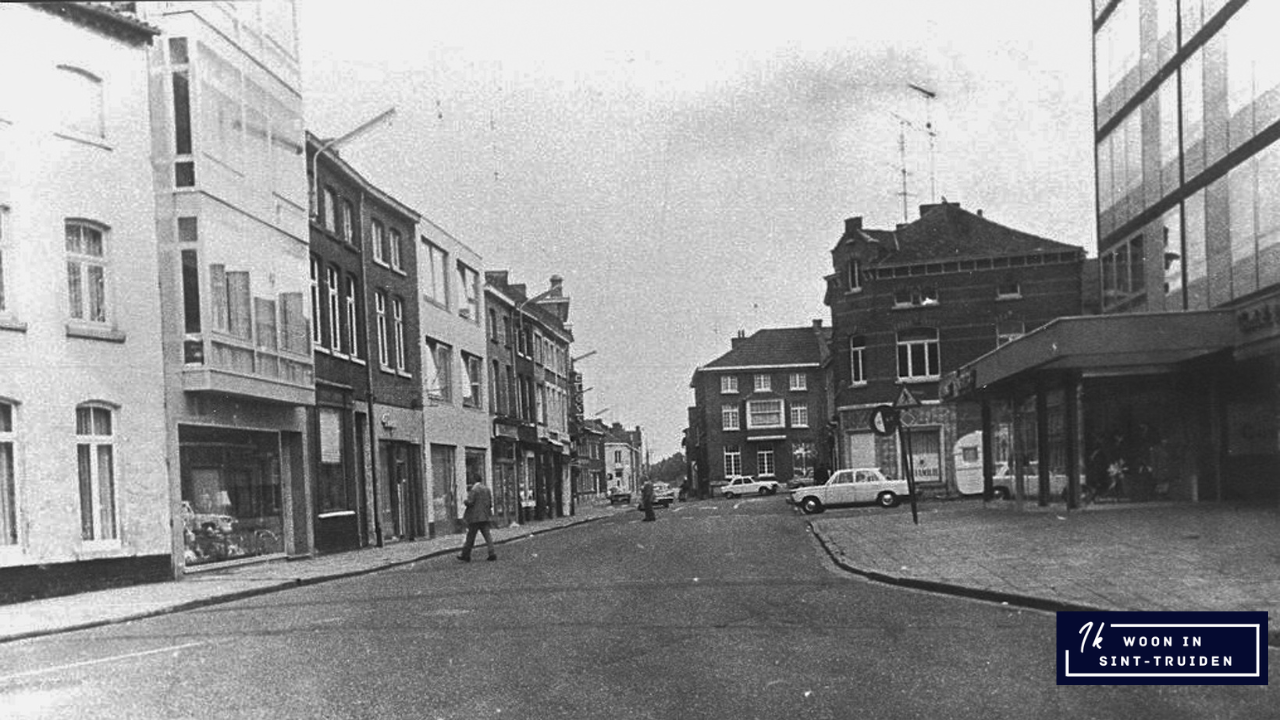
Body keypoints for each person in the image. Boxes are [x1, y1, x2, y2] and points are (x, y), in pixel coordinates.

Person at [458, 480, 497, 562]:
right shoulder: (487, 489)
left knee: (470, 537)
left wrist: (465, 501)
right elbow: (490, 503)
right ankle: (492, 553)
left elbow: (470, 502)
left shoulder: (474, 490)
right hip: (485, 516)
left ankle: (465, 555)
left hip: (475, 518)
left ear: (474, 480)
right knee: (487, 536)